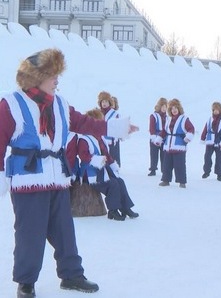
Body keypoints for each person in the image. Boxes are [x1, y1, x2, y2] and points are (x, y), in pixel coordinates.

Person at [0, 49, 138, 297]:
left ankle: (72, 275)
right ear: (37, 77)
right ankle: (26, 282)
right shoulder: (11, 104)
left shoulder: (61, 105)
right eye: (52, 75)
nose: (57, 80)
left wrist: (116, 127)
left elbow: (86, 123)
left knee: (65, 231)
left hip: (57, 178)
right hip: (28, 180)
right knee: (30, 233)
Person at [78, 108, 139, 221]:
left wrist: (112, 165)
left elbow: (107, 155)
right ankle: (113, 210)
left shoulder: (101, 139)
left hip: (103, 171)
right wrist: (97, 160)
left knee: (119, 181)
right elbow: (84, 157)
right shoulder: (84, 139)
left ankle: (125, 207)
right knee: (112, 184)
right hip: (91, 174)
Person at [158, 98, 195, 188]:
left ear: (179, 108)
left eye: (175, 108)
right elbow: (164, 131)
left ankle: (182, 182)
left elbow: (191, 129)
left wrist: (187, 138)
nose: (174, 110)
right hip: (168, 145)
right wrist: (159, 138)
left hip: (179, 145)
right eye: (172, 108)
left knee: (180, 165)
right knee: (166, 164)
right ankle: (165, 180)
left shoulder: (184, 119)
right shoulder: (169, 119)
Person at [201, 102, 221, 181]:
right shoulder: (210, 119)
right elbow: (205, 129)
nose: (216, 111)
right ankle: (206, 171)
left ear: (220, 110)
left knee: (219, 159)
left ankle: (219, 174)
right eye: (214, 110)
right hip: (210, 141)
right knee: (207, 156)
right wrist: (203, 138)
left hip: (219, 141)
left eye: (217, 110)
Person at [98, 91, 121, 166]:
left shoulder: (115, 114)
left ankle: (115, 168)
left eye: (106, 101)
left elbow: (118, 127)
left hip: (112, 140)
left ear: (109, 103)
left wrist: (115, 138)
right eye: (103, 102)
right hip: (101, 140)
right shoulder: (98, 113)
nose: (104, 103)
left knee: (112, 157)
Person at [148, 97, 168, 176]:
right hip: (155, 137)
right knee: (154, 155)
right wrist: (153, 137)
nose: (164, 109)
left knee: (164, 155)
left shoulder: (167, 117)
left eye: (165, 107)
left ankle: (164, 170)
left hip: (164, 138)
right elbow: (151, 127)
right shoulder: (153, 116)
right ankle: (153, 169)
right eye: (162, 107)